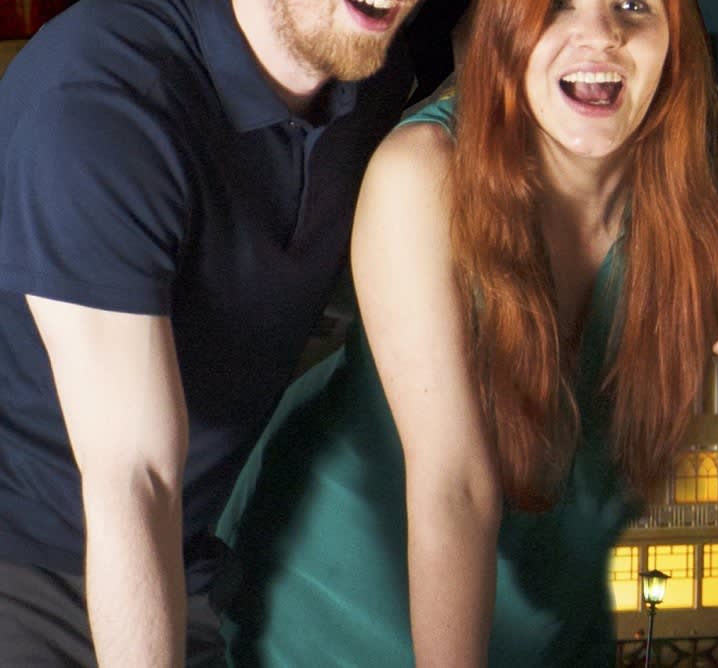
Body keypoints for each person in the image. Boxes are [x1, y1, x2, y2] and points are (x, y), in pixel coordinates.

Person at [215, 0, 718, 663]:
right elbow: (456, 486)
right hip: (321, 612)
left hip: (553, 627)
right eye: (557, 4)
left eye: (634, 3)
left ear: (676, 37)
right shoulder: (423, 168)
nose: (601, 31)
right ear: (504, 23)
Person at [0, 0, 433, 663]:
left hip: (187, 556)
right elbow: (134, 477)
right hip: (29, 563)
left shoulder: (366, 61)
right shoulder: (104, 93)